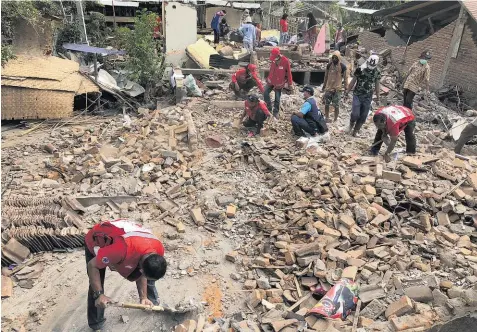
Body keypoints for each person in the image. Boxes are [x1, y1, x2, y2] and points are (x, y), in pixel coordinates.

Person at [84, 219, 167, 331]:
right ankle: (96, 323)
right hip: (97, 239)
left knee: (152, 271)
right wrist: (99, 294)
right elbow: (92, 266)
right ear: (141, 269)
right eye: (142, 272)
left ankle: (149, 302)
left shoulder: (158, 249)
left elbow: (144, 272)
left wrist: (143, 296)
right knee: (96, 281)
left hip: (125, 238)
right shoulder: (121, 249)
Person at [345, 54, 381, 136]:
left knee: (363, 115)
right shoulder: (360, 69)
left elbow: (377, 85)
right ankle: (351, 125)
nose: (371, 66)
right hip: (357, 94)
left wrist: (378, 98)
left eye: (373, 65)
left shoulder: (377, 72)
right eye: (370, 64)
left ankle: (356, 131)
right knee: (355, 114)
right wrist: (347, 92)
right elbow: (353, 81)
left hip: (368, 97)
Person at [264, 47, 293, 119]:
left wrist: (290, 84)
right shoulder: (273, 60)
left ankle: (276, 111)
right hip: (271, 81)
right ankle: (269, 108)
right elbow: (271, 70)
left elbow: (289, 73)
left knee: (277, 98)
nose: (273, 59)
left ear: (278, 56)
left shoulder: (285, 61)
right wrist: (268, 79)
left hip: (279, 83)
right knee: (265, 92)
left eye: (274, 57)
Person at [322, 50, 348, 122]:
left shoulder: (343, 67)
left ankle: (335, 119)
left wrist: (346, 88)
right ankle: (326, 117)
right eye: (333, 58)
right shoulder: (329, 65)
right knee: (326, 104)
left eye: (336, 58)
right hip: (328, 88)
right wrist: (324, 86)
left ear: (339, 58)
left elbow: (346, 78)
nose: (334, 59)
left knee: (336, 105)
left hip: (337, 89)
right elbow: (326, 76)